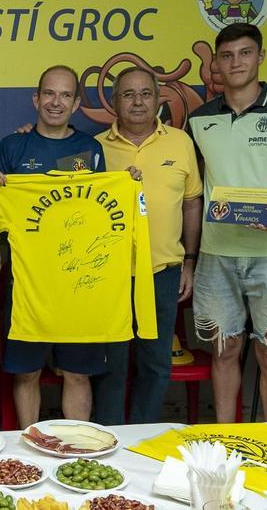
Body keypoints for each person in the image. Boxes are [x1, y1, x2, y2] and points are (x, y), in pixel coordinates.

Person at [185, 23, 267, 422]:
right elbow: (191, 186)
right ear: (214, 64)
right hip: (216, 252)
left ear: (261, 57)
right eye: (226, 56)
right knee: (224, 350)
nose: (236, 62)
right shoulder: (199, 119)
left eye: (245, 53)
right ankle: (228, 438)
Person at [0, 65, 106, 427]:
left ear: (77, 103)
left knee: (77, 373)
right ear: (36, 98)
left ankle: (79, 447)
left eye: (65, 95)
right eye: (49, 93)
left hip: (78, 279)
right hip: (28, 280)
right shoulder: (13, 146)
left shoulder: (90, 149)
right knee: (27, 374)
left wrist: (129, 185)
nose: (56, 102)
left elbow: (103, 210)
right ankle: (29, 448)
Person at [90, 66, 203, 425]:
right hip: (109, 277)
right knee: (111, 365)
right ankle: (109, 439)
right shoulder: (92, 147)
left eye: (145, 94)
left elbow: (192, 203)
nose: (138, 102)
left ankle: (143, 439)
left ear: (157, 99)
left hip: (162, 273)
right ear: (114, 102)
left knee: (155, 364)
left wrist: (190, 261)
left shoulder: (181, 142)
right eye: (128, 94)